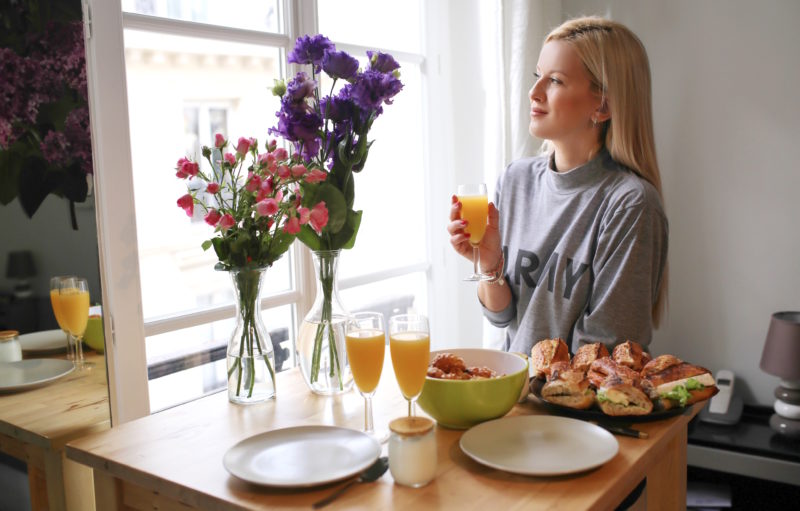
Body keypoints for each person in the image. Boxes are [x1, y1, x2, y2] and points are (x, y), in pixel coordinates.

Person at [448, 16, 668, 356]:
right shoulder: (515, 180)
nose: (534, 92)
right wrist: (488, 265)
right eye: (538, 77)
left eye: (555, 81)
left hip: (572, 407)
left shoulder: (630, 205)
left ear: (603, 105)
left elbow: (604, 351)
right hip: (517, 398)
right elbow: (502, 317)